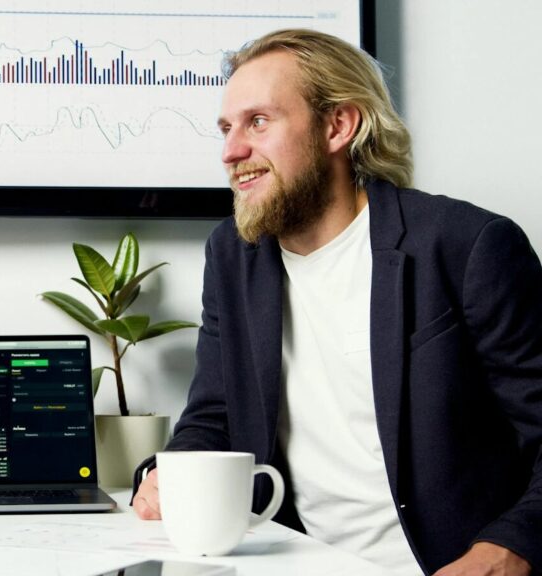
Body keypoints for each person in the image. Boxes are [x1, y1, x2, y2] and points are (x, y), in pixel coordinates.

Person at [130, 29, 541, 575]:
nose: (232, 151)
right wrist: (166, 474)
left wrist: (507, 552)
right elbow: (215, 417)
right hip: (296, 562)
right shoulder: (233, 254)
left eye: (258, 122)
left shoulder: (467, 245)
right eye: (227, 129)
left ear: (337, 126)